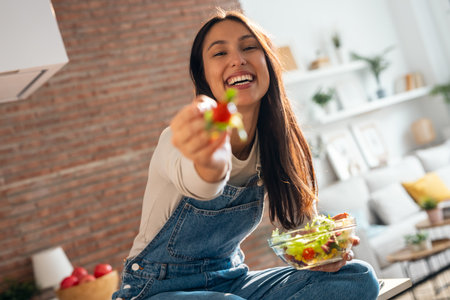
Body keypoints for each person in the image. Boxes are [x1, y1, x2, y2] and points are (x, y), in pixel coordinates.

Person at [113, 9, 379, 300]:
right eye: (219, 53)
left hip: (230, 281)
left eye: (249, 47)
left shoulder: (276, 145)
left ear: (268, 62)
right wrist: (212, 163)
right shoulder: (181, 139)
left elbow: (301, 232)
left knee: (358, 278)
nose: (237, 59)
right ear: (204, 74)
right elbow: (202, 184)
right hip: (155, 289)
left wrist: (323, 253)